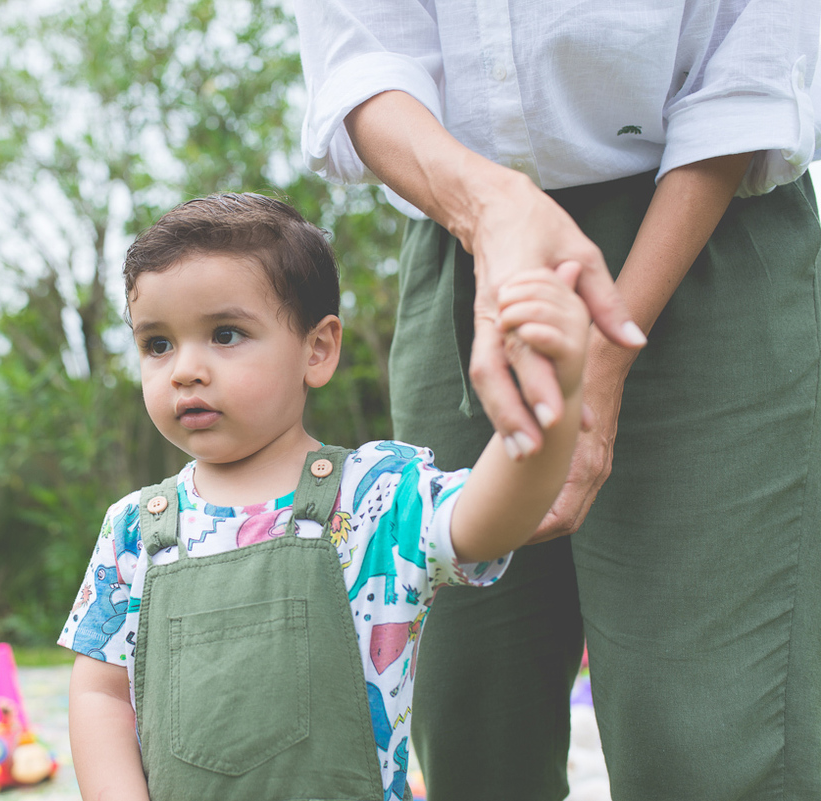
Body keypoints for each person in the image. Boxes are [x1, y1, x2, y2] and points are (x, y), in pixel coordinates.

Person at [294, 3, 821, 799]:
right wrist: (488, 209)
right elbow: (362, 62)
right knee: (473, 723)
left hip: (703, 227)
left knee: (708, 739)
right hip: (462, 242)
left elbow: (747, 70)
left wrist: (607, 351)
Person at [59, 192, 593, 800]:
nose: (184, 369)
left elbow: (485, 523)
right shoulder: (135, 529)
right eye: (158, 344)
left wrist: (551, 398)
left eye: (225, 333)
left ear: (317, 350)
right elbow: (101, 692)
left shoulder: (375, 496)